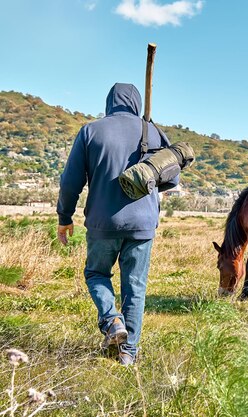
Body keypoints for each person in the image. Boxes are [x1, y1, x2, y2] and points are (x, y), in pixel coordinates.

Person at [56, 83, 178, 365]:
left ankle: (112, 321)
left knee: (96, 274)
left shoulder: (91, 131)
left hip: (102, 222)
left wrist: (65, 217)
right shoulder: (154, 132)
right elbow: (172, 178)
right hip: (142, 224)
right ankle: (128, 354)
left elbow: (70, 182)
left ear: (110, 102)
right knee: (135, 286)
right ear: (136, 103)